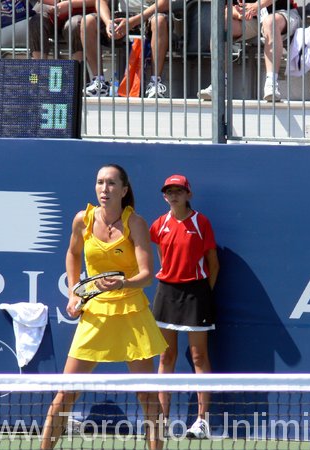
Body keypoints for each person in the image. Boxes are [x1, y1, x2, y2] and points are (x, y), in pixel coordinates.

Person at [40, 164, 168, 450]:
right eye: (100, 183)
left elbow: (147, 274)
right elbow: (73, 254)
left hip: (131, 313)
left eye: (111, 183)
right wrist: (75, 293)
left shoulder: (135, 223)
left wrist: (123, 284)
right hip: (95, 314)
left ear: (124, 190)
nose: (104, 189)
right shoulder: (82, 221)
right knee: (65, 394)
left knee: (146, 396)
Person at [149, 174, 220, 439]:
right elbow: (162, 257)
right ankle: (162, 420)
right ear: (164, 196)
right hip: (166, 293)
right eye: (169, 191)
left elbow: (213, 264)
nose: (174, 195)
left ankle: (201, 421)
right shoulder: (159, 224)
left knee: (199, 357)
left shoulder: (201, 223)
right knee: (165, 357)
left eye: (179, 190)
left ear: (188, 194)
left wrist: (203, 292)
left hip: (196, 294)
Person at [198, 0, 300, 102]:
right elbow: (224, 8)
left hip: (282, 13)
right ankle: (218, 83)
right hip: (251, 20)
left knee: (270, 22)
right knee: (220, 25)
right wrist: (238, 14)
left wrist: (257, 6)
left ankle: (271, 84)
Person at [80, 0, 170, 98]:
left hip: (150, 14)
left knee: (159, 20)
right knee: (88, 21)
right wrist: (108, 23)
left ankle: (155, 83)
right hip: (122, 16)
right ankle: (99, 83)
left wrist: (133, 22)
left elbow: (164, 3)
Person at [29, 0, 96, 60]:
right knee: (36, 22)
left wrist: (69, 4)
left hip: (79, 12)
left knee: (73, 25)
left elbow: (98, 1)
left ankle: (78, 69)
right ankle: (40, 68)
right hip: (53, 14)